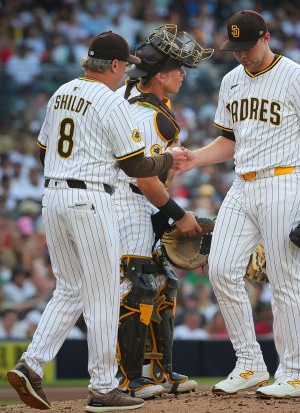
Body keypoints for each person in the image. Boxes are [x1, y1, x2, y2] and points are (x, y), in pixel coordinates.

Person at [6, 31, 187, 412]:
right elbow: (136, 165)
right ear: (117, 65)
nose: (128, 74)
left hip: (53, 195)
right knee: (103, 292)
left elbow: (42, 151)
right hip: (90, 198)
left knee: (71, 287)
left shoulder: (61, 92)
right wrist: (169, 160)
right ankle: (104, 387)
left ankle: (31, 364)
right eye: (126, 66)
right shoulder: (109, 101)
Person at [175, 10, 300, 398]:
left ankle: (297, 372)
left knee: (285, 279)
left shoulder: (297, 77)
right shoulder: (231, 81)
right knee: (221, 268)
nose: (241, 54)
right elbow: (228, 143)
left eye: (246, 46)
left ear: (265, 37)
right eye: (235, 48)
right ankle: (250, 364)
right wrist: (195, 157)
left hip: (286, 181)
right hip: (243, 184)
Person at [113, 25, 212, 398]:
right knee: (136, 286)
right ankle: (129, 377)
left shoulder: (150, 104)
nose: (183, 74)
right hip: (129, 204)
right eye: (177, 68)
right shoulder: (145, 115)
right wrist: (179, 215)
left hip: (142, 206)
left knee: (163, 282)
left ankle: (159, 370)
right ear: (158, 76)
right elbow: (142, 178)